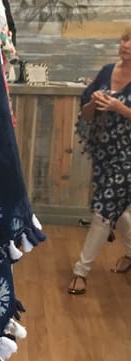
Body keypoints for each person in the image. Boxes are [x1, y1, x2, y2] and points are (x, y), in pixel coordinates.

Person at [68, 25, 131, 294]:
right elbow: (86, 114)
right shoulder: (107, 71)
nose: (126, 44)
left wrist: (120, 107)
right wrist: (94, 102)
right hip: (105, 153)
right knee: (122, 210)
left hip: (128, 156)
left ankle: (80, 271)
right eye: (125, 39)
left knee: (104, 210)